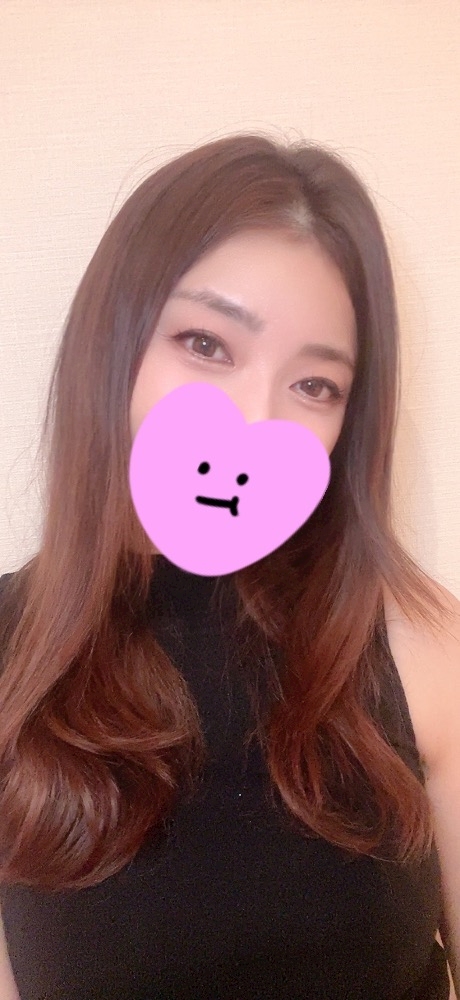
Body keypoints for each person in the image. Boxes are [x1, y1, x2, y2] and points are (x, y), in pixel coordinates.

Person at [0, 133, 458, 1000]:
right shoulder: (12, 654)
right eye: (206, 344)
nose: (256, 421)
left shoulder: (419, 639)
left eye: (315, 386)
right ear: (114, 343)